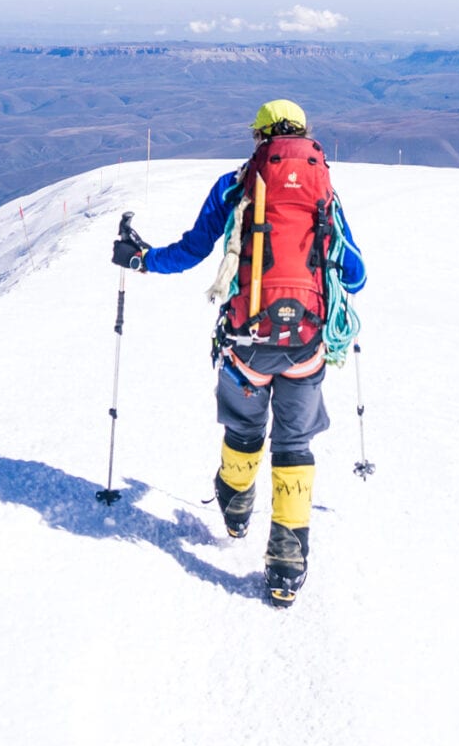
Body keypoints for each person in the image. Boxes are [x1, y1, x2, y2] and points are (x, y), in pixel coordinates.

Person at [111, 99, 366, 606]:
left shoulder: (237, 184)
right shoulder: (324, 192)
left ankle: (234, 507)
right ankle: (286, 566)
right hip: (307, 347)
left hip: (247, 340)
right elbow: (356, 273)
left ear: (260, 137)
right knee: (295, 447)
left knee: (245, 428)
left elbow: (191, 251)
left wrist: (141, 259)